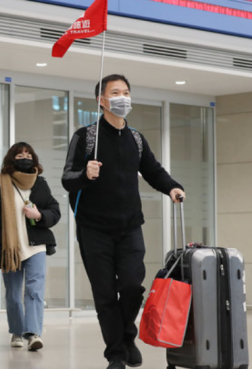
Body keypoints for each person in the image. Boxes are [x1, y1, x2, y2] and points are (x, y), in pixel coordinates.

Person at [62, 74, 185, 369]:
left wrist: (172, 187)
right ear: (101, 100)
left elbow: (153, 171)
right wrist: (85, 174)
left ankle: (127, 335)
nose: (123, 98)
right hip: (93, 229)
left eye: (126, 92)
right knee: (105, 294)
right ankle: (116, 354)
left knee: (131, 286)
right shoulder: (86, 137)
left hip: (130, 227)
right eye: (116, 92)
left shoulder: (136, 139)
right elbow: (67, 179)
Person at [0, 142, 61, 352]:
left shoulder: (40, 184)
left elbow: (55, 211)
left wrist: (39, 215)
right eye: (19, 155)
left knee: (34, 290)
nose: (24, 158)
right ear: (11, 159)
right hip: (10, 249)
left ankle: (33, 333)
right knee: (13, 294)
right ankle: (17, 331)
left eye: (28, 154)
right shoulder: (0, 186)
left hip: (35, 246)